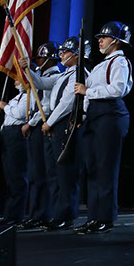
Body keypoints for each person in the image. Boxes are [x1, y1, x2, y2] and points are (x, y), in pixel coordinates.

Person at [73, 21, 133, 234]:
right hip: (96, 115)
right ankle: (94, 216)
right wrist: (83, 114)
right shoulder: (101, 65)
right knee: (94, 169)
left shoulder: (120, 62)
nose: (100, 41)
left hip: (110, 114)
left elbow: (117, 89)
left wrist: (87, 91)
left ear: (116, 41)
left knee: (105, 168)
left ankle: (105, 217)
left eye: (104, 37)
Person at [39, 36, 90, 230]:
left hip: (66, 123)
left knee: (66, 172)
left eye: (66, 51)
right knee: (54, 173)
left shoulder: (79, 73)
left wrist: (49, 122)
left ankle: (65, 214)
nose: (61, 54)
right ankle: (56, 213)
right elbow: (43, 85)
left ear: (77, 54)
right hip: (56, 123)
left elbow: (67, 102)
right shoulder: (64, 74)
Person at [17, 42, 62, 229]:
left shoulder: (56, 77)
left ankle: (43, 214)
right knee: (35, 173)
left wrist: (31, 122)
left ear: (51, 59)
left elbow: (46, 105)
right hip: (36, 125)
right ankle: (36, 213)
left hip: (43, 124)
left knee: (42, 173)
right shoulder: (41, 76)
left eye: (42, 58)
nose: (39, 61)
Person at [0, 80, 30, 225]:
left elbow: (20, 114)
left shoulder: (29, 96)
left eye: (18, 78)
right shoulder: (16, 97)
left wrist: (5, 106)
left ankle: (16, 215)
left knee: (17, 176)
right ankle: (9, 214)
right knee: (9, 177)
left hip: (17, 135)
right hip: (7, 135)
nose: (15, 81)